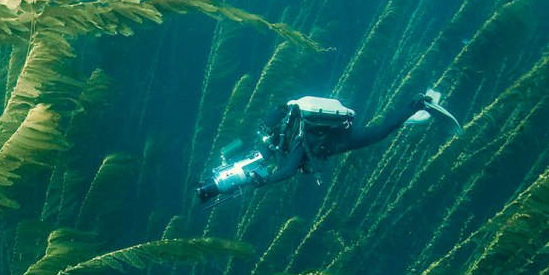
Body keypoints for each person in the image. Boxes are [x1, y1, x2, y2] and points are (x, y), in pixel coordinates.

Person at [196, 91, 460, 206]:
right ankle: (410, 112)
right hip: (333, 137)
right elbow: (262, 156)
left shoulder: (296, 138)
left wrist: (266, 181)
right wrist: (231, 177)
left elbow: (288, 170)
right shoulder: (281, 134)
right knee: (379, 130)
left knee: (379, 133)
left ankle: (418, 105)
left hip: (341, 139)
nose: (267, 139)